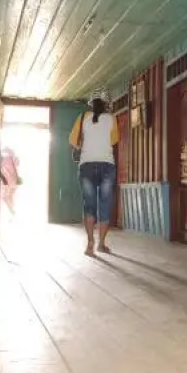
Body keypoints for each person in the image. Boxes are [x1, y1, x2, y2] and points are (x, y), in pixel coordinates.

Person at [69, 88, 119, 256]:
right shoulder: (112, 119)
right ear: (107, 104)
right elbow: (114, 140)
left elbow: (73, 140)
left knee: (89, 206)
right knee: (105, 205)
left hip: (87, 166)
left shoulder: (82, 117)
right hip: (107, 166)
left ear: (91, 103)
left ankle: (90, 243)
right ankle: (102, 244)